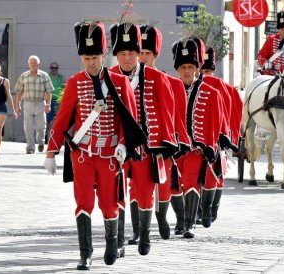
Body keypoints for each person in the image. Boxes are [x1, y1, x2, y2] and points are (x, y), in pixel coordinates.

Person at [44, 21, 145, 270]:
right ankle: (85, 253)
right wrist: (51, 151)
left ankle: (112, 244)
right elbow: (63, 118)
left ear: (103, 56)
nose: (91, 62)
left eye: (95, 57)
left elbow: (128, 119)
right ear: (82, 58)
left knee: (109, 204)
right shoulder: (75, 83)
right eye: (86, 57)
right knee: (84, 202)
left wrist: (123, 145)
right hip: (83, 154)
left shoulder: (119, 83)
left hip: (110, 154)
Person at [109, 21, 177, 255]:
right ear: (116, 55)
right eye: (122, 53)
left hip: (146, 147)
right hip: (116, 146)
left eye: (131, 53)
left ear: (139, 54)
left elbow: (166, 111)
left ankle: (145, 235)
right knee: (116, 191)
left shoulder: (157, 78)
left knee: (145, 192)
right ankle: (116, 240)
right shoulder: (108, 77)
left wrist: (163, 144)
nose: (127, 58)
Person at [139, 24, 191, 237]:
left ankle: (163, 219)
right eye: (139, 52)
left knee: (164, 185)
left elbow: (177, 116)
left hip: (163, 141)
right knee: (138, 189)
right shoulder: (125, 80)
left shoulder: (171, 82)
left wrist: (180, 141)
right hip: (138, 144)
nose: (142, 57)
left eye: (147, 53)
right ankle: (138, 229)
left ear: (155, 55)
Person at [172, 37, 223, 238]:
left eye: (191, 66)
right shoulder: (169, 88)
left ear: (197, 68)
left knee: (192, 182)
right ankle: (179, 219)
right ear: (177, 69)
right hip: (174, 149)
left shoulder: (210, 93)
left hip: (196, 149)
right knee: (173, 186)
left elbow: (215, 123)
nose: (187, 71)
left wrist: (208, 146)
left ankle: (190, 223)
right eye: (183, 66)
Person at [200, 46, 244, 222]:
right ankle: (205, 209)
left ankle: (208, 208)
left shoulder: (222, 87)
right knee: (207, 175)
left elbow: (232, 112)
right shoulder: (227, 88)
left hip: (216, 136)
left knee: (213, 174)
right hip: (210, 136)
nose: (204, 74)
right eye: (202, 70)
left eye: (207, 71)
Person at [15, 55, 54, 154]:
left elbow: (49, 91)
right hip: (28, 103)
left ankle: (40, 141)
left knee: (41, 126)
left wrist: (48, 104)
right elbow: (19, 91)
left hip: (40, 103)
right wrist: (18, 105)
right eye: (31, 63)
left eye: (34, 63)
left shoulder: (44, 75)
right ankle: (30, 148)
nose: (33, 65)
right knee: (28, 127)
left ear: (38, 64)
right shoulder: (24, 76)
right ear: (28, 64)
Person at [0, 61, 18, 162]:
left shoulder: (5, 81)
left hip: (1, 107)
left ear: (0, 68)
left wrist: (13, 111)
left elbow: (9, 97)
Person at [46, 62, 64, 143]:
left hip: (57, 102)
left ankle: (51, 139)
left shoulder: (61, 77)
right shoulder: (47, 77)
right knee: (47, 121)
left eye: (55, 68)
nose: (54, 69)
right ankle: (46, 138)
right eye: (52, 68)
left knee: (54, 121)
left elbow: (64, 88)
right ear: (50, 68)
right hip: (48, 101)